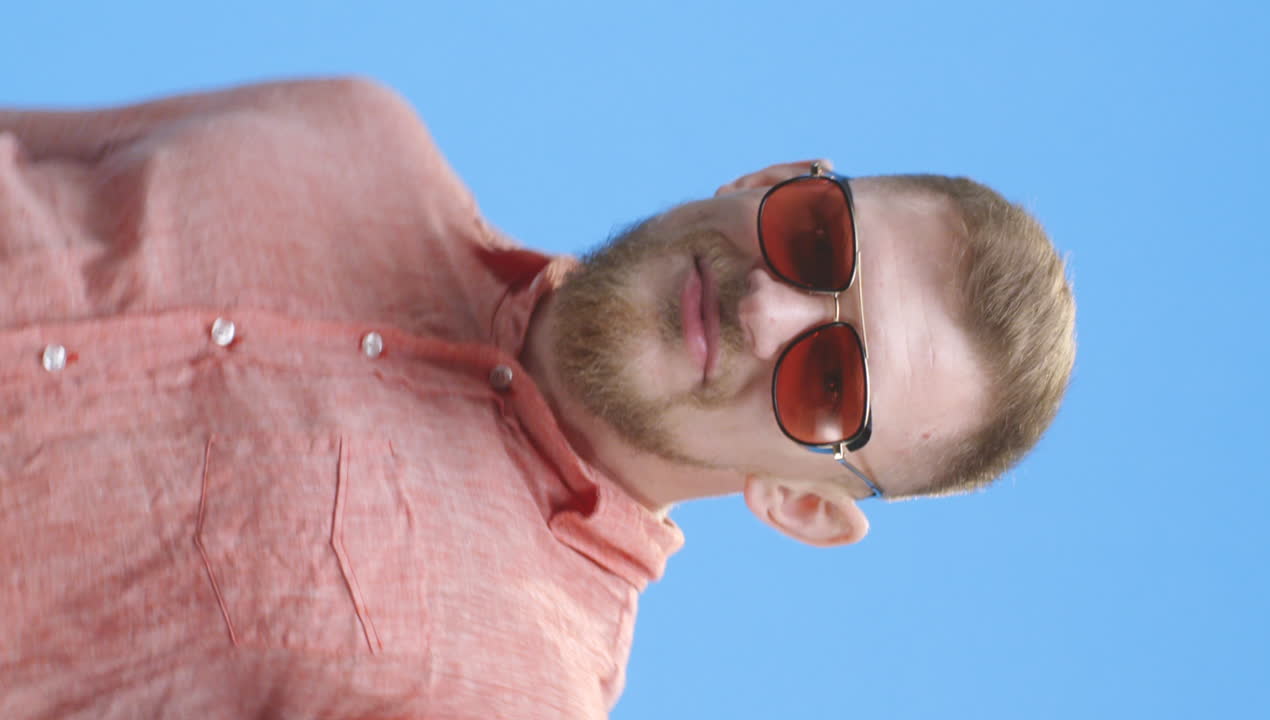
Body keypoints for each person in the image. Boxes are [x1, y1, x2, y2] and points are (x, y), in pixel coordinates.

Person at [0, 77, 1075, 718]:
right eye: (814, 243)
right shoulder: (356, 133)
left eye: (830, 382)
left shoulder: (506, 694)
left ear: (802, 503)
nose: (767, 314)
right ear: (768, 181)